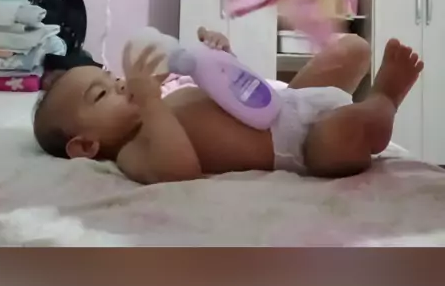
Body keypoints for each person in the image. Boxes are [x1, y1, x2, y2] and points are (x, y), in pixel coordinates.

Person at [33, 26, 423, 183]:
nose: (120, 84)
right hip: (303, 145)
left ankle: (361, 85)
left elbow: (239, 95)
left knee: (353, 48)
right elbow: (179, 169)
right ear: (86, 145)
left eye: (111, 78)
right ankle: (384, 98)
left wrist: (222, 58)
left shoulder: (169, 96)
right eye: (102, 94)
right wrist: (150, 103)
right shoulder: (133, 151)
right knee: (344, 132)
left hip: (286, 101)